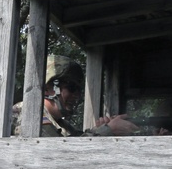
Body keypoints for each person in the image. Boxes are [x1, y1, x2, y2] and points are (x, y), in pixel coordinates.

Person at [11, 55, 143, 137]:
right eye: (72, 88)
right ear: (47, 89)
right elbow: (57, 156)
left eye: (79, 90)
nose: (77, 96)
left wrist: (102, 130)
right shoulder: (29, 114)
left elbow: (76, 141)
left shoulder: (61, 124)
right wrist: (107, 131)